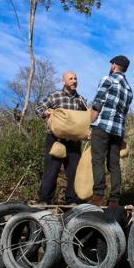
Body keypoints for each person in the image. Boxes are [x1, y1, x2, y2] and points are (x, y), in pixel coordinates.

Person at [35, 71, 88, 205]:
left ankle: (72, 200)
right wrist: (45, 112)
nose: (74, 81)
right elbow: (39, 107)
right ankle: (45, 200)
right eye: (71, 79)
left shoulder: (81, 100)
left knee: (74, 172)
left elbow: (86, 118)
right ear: (63, 81)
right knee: (51, 170)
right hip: (55, 140)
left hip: (73, 142)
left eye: (75, 78)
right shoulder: (55, 96)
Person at [90, 55, 133, 207]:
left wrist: (90, 123)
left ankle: (98, 196)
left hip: (102, 126)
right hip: (117, 130)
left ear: (114, 66)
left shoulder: (108, 79)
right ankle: (114, 199)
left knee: (97, 160)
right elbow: (125, 112)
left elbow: (97, 104)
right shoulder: (129, 89)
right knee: (114, 165)